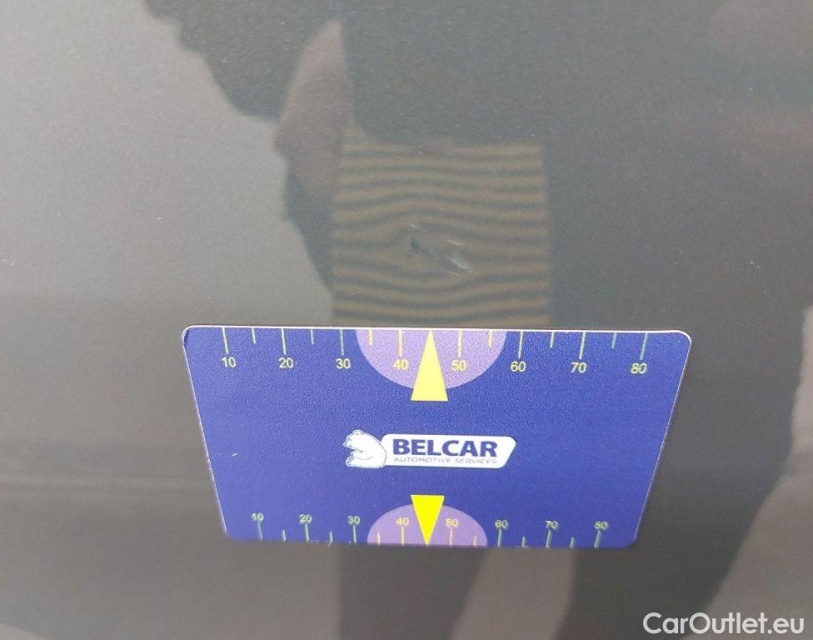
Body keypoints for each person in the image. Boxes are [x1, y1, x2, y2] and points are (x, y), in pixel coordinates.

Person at [276, 2, 813, 638]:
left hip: (713, 247)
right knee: (404, 599)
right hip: (464, 188)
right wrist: (326, 36)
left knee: (641, 591)